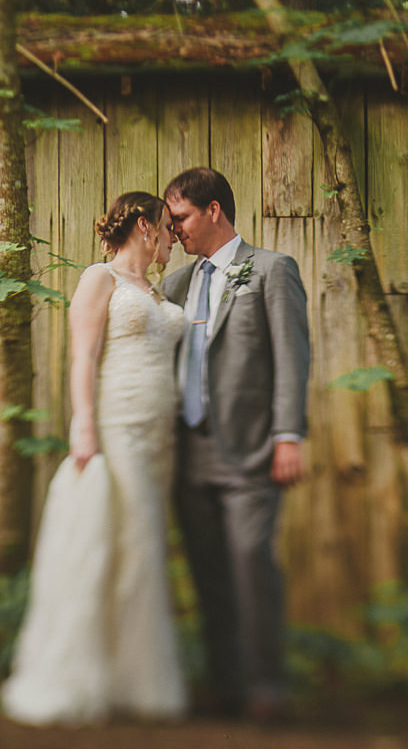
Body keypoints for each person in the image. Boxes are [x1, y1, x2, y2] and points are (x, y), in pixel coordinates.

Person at [0, 191, 188, 726]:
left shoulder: (156, 289)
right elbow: (81, 356)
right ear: (147, 228)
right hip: (117, 428)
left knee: (143, 551)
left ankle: (133, 678)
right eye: (168, 228)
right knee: (121, 544)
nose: (173, 238)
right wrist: (83, 424)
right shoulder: (98, 279)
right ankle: (88, 674)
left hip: (161, 438)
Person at [162, 166, 310, 723]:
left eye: (180, 218)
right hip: (187, 452)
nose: (174, 230)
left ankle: (267, 686)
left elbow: (292, 357)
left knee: (251, 563)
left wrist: (288, 435)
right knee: (208, 571)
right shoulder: (175, 285)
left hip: (249, 451)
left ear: (214, 211)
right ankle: (225, 686)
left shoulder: (271, 271)